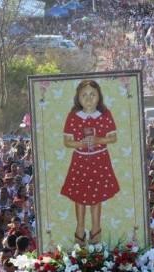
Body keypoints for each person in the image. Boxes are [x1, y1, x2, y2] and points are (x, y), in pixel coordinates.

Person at [60, 79, 119, 244]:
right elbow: (67, 141)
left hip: (100, 159)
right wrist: (81, 143)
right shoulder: (73, 116)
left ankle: (95, 228)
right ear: (78, 97)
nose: (88, 98)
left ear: (99, 96)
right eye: (84, 95)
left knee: (96, 195)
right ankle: (80, 227)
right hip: (80, 160)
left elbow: (113, 137)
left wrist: (98, 139)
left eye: (92, 94)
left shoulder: (104, 115)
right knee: (79, 195)